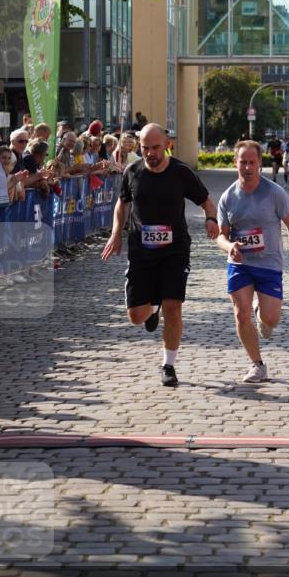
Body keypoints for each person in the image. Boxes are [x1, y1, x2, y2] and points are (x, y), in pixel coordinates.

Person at [101, 123, 219, 387]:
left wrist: (211, 219)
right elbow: (122, 203)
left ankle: (168, 365)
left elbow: (206, 202)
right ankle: (152, 307)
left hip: (175, 249)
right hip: (141, 251)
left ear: (166, 145)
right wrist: (115, 233)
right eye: (145, 148)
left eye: (155, 148)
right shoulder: (133, 171)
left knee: (174, 307)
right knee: (136, 317)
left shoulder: (181, 172)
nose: (150, 153)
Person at [216, 139, 289, 383]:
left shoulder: (274, 193)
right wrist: (229, 246)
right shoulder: (228, 197)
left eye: (252, 162)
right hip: (240, 264)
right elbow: (221, 235)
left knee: (270, 320)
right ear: (235, 163)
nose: (247, 167)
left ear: (260, 164)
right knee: (240, 314)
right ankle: (257, 364)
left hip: (268, 264)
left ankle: (262, 311)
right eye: (242, 162)